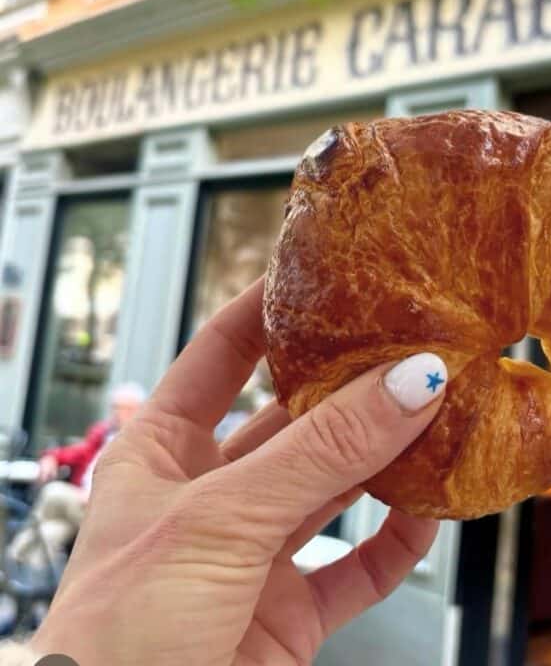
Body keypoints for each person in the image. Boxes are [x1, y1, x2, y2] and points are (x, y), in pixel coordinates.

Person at [0, 278, 447, 666]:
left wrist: (78, 644)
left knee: (53, 510)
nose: (120, 411)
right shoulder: (107, 436)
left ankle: (19, 579)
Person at [8, 383, 146, 571]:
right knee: (52, 531)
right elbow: (78, 453)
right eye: (113, 407)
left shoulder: (141, 444)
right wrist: (51, 457)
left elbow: (132, 486)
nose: (114, 413)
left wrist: (94, 497)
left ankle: (11, 560)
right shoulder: (104, 434)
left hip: (103, 513)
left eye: (119, 408)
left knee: (52, 491)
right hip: (79, 505)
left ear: (135, 410)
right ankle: (26, 579)